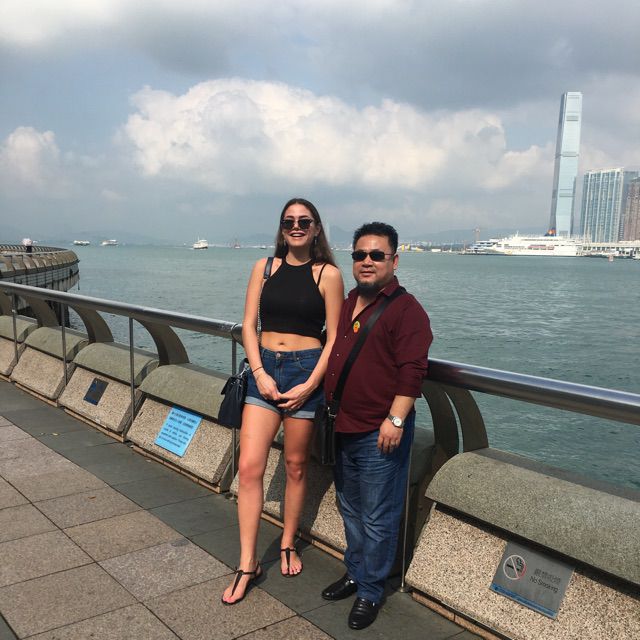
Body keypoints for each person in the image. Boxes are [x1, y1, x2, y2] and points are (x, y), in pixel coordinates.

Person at [221, 198, 344, 605]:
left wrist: (310, 385)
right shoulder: (264, 268)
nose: (296, 226)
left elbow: (335, 339)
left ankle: (288, 541)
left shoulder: (328, 274)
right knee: (249, 467)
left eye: (304, 221)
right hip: (264, 370)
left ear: (316, 228)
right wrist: (259, 373)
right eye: (289, 220)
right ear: (281, 227)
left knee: (295, 465)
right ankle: (247, 562)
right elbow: (249, 325)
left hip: (306, 370)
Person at [320, 222, 432, 630]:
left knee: (378, 516)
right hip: (342, 425)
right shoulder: (349, 301)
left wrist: (396, 419)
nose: (367, 261)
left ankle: (371, 589)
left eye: (376, 255)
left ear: (394, 261)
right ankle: (355, 571)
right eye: (359, 255)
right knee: (349, 506)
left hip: (378, 431)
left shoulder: (407, 310)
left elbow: (412, 371)